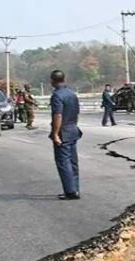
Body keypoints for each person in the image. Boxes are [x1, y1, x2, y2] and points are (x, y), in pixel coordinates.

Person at [48, 70, 82, 200]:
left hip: (63, 131)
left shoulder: (57, 95)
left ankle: (70, 191)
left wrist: (55, 133)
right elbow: (76, 113)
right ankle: (75, 188)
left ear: (52, 80)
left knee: (63, 162)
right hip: (73, 128)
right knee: (73, 162)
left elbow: (58, 115)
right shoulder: (72, 94)